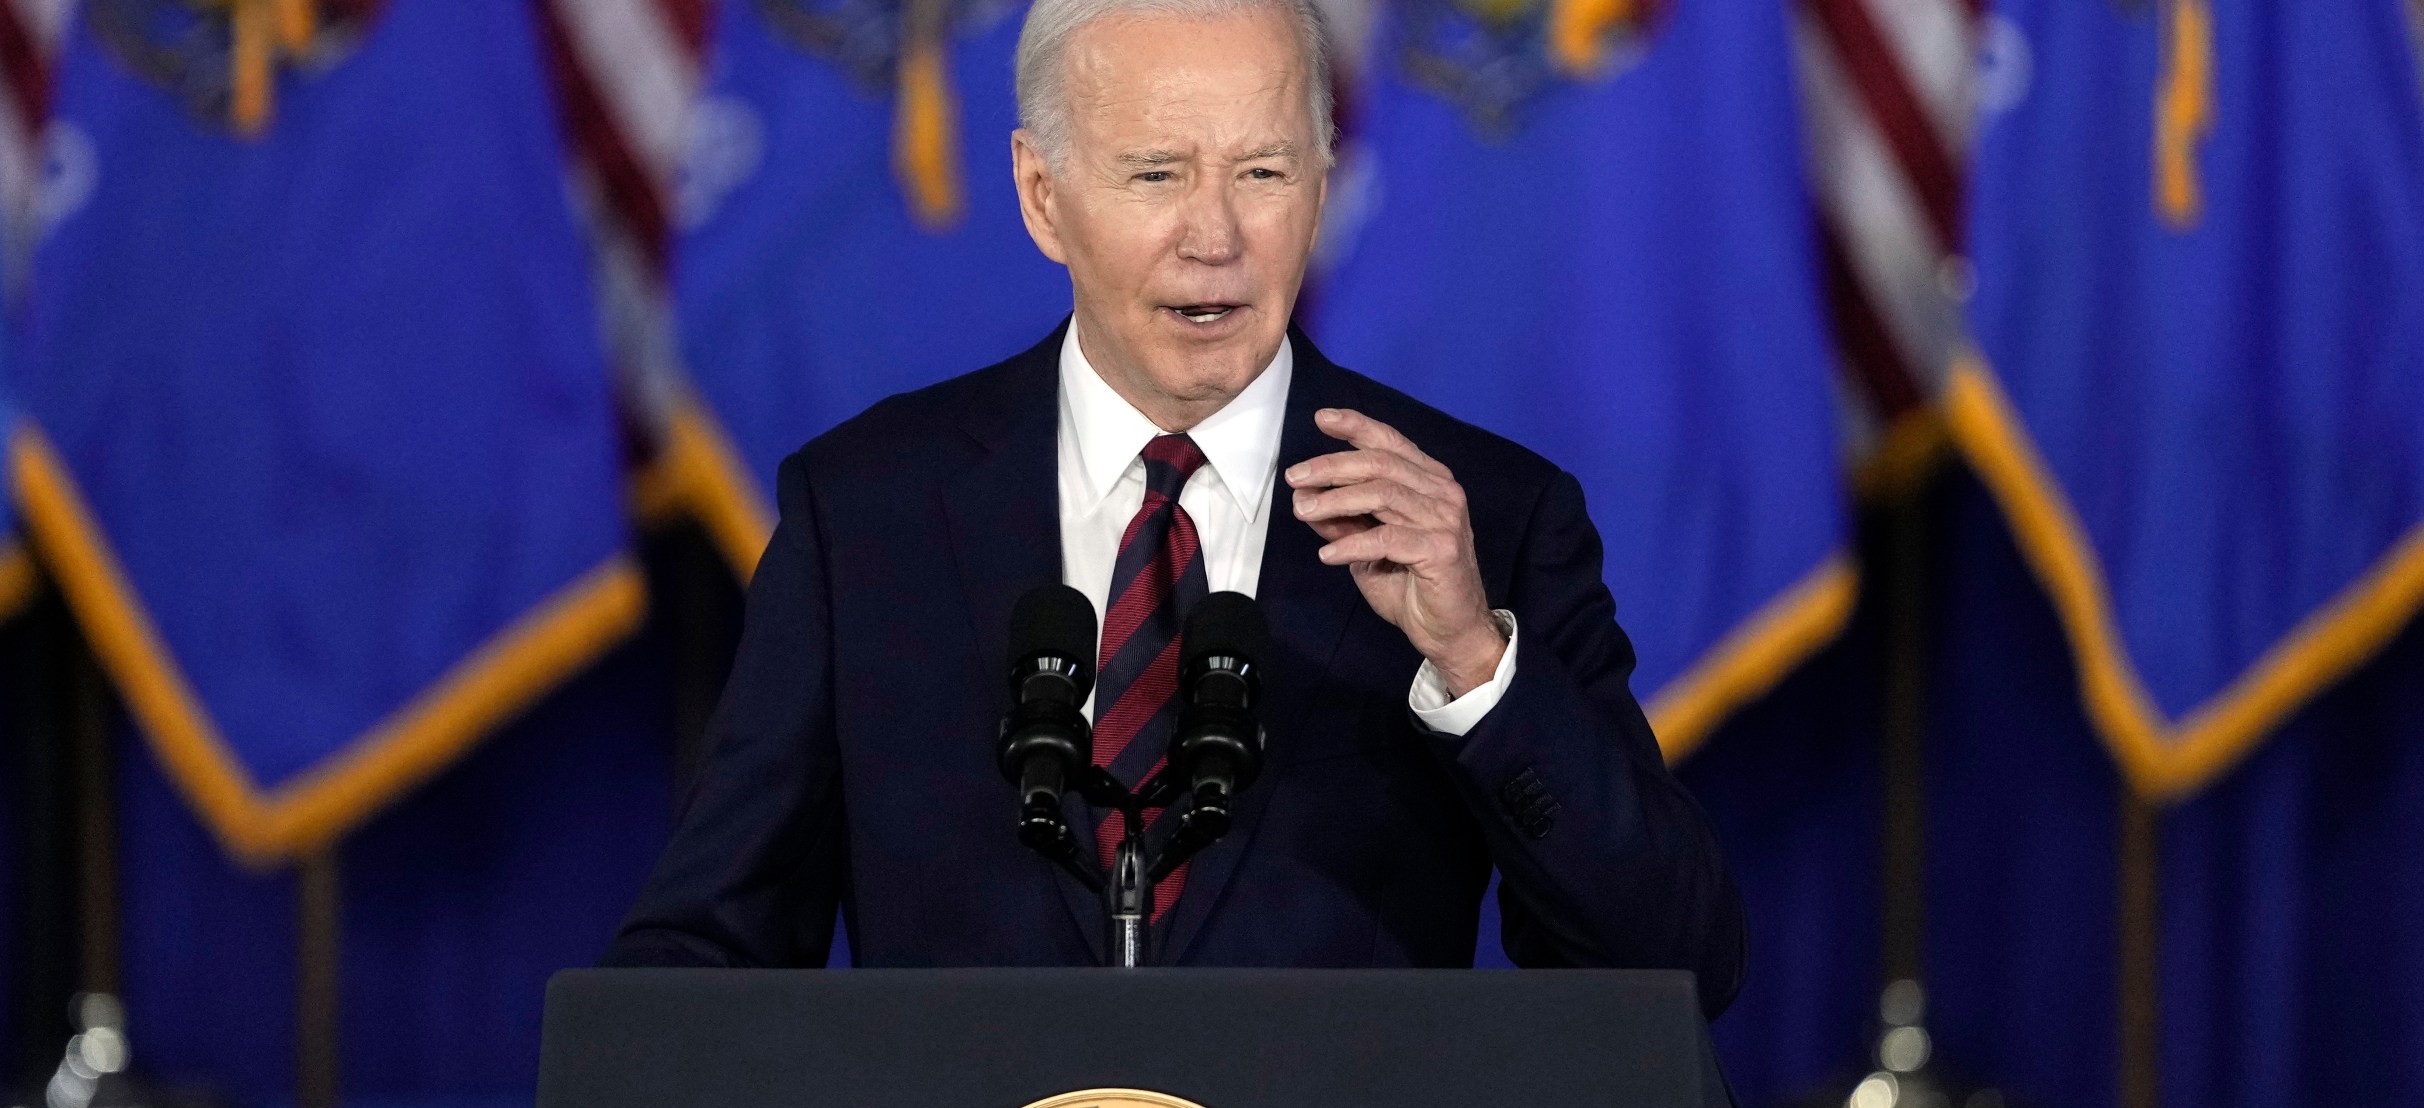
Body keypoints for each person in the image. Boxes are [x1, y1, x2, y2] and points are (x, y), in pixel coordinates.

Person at [603, 0, 1748, 1015]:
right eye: (1156, 173)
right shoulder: (865, 515)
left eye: (1263, 172)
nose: (1216, 237)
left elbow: (1672, 968)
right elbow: (707, 949)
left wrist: (1473, 661)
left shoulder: (1484, 518)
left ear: (1324, 179)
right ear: (1042, 196)